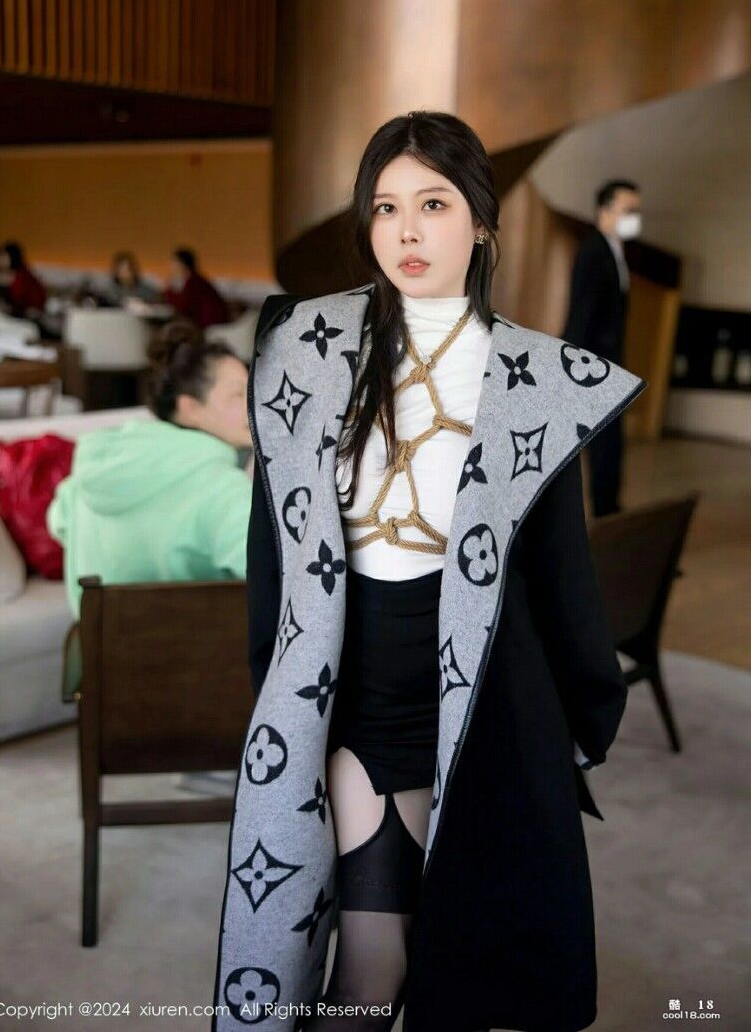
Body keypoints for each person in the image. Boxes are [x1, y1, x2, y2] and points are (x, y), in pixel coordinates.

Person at [212, 113, 646, 1032]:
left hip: (471, 697)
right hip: (350, 694)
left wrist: (573, 725)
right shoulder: (309, 352)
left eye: (434, 204)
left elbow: (560, 574)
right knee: (370, 969)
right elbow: (274, 550)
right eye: (385, 207)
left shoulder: (534, 380)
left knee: (451, 971)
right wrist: (275, 689)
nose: (406, 230)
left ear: (481, 222)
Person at [47, 320, 254, 695]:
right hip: (198, 688)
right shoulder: (222, 489)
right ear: (190, 408)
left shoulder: (90, 473)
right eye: (238, 395)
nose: (255, 404)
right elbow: (273, 579)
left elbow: (57, 521)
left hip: (104, 684)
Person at [563, 179, 642, 515]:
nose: (634, 217)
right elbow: (582, 314)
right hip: (594, 366)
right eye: (629, 210)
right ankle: (605, 513)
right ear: (605, 210)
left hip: (608, 364)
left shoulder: (614, 251)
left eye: (637, 210)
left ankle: (609, 510)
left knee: (609, 444)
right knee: (600, 444)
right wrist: (578, 370)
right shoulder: (594, 252)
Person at [163, 247, 231, 329]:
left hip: (211, 324)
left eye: (174, 262)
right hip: (208, 322)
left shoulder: (194, 282)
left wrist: (169, 291)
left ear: (182, 264)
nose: (171, 266)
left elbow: (184, 306)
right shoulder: (193, 280)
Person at [0, 240, 48, 318]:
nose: (0, 260)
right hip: (25, 311)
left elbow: (19, 300)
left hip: (32, 313)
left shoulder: (21, 275)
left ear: (11, 257)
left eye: (3, 256)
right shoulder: (16, 273)